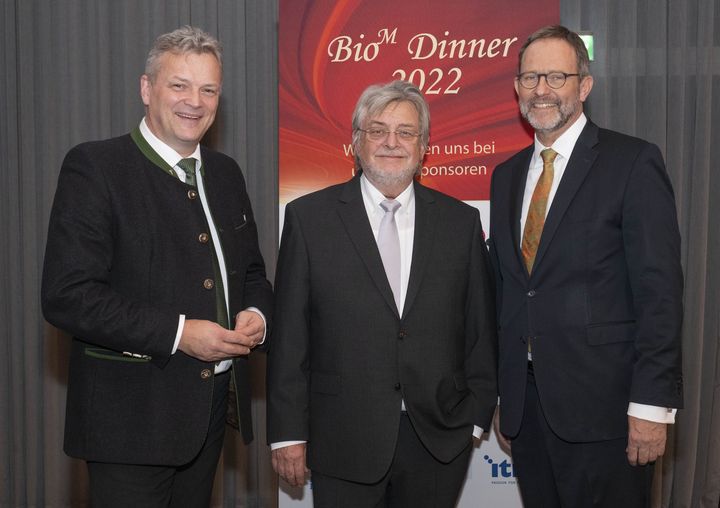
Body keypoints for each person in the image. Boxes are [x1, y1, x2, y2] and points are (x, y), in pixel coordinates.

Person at [41, 26, 273, 507]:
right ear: (147, 89)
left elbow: (250, 272)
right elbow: (68, 294)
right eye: (179, 85)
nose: (195, 101)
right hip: (129, 423)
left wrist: (257, 315)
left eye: (208, 89)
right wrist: (181, 333)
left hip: (207, 418)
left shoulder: (226, 174)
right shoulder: (95, 167)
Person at [267, 80, 497, 508]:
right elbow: (290, 338)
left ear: (425, 145)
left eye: (406, 132)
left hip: (439, 439)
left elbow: (480, 329)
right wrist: (287, 431)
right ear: (356, 141)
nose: (392, 142)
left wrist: (475, 420)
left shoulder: (460, 224)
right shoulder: (308, 219)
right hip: (342, 436)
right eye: (377, 130)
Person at [488, 25, 683, 507]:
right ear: (516, 88)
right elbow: (510, 293)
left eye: (556, 76)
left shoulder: (633, 162)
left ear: (585, 85)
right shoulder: (506, 176)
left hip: (609, 414)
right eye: (530, 77)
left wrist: (651, 406)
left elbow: (659, 293)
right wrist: (504, 397)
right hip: (528, 410)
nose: (541, 90)